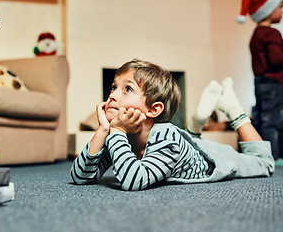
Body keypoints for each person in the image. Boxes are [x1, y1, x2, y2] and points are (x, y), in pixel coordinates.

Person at [70, 59, 274, 191]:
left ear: (153, 109)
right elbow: (80, 178)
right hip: (184, 146)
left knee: (264, 162)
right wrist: (102, 131)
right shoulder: (118, 134)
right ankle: (195, 125)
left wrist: (116, 131)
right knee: (189, 139)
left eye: (127, 89)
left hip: (209, 157)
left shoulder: (164, 137)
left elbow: (134, 181)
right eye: (114, 87)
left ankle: (233, 109)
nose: (113, 95)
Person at [237, 0, 283, 165]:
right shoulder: (272, 33)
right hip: (274, 83)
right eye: (279, 7)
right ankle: (274, 156)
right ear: (268, 11)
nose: (281, 11)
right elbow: (276, 60)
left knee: (262, 117)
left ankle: (260, 153)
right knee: (273, 120)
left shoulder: (256, 34)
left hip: (260, 82)